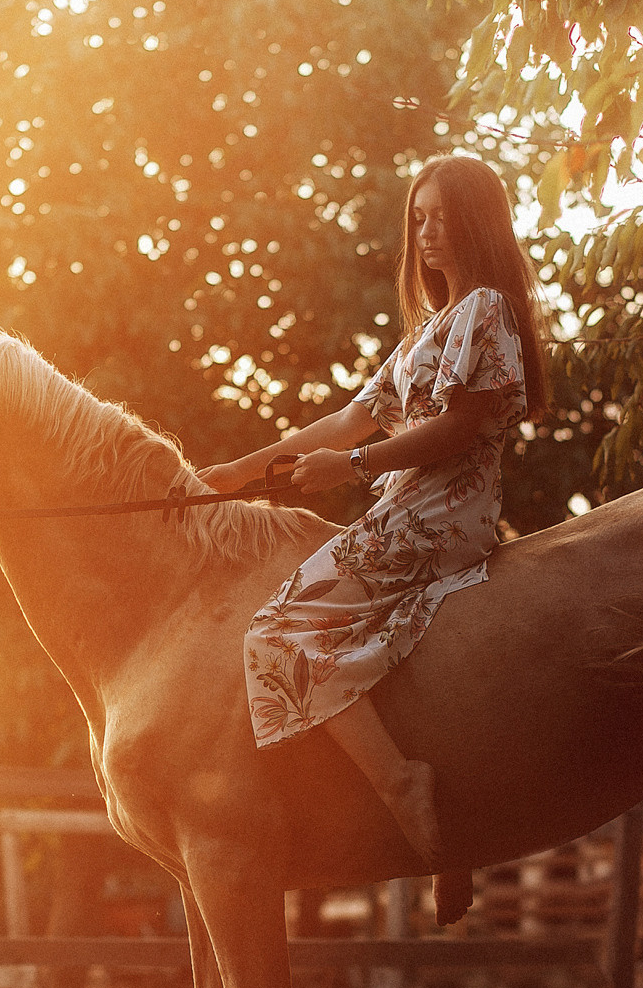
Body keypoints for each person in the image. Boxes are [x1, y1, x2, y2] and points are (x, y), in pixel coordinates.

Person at [198, 154, 550, 925]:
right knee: (292, 623)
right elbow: (348, 419)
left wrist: (351, 466)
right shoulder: (427, 332)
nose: (426, 233)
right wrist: (236, 470)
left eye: (442, 216)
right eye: (417, 218)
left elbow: (458, 427)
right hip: (402, 512)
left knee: (273, 634)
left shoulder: (486, 309)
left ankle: (400, 786)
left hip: (439, 514)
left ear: (477, 220)